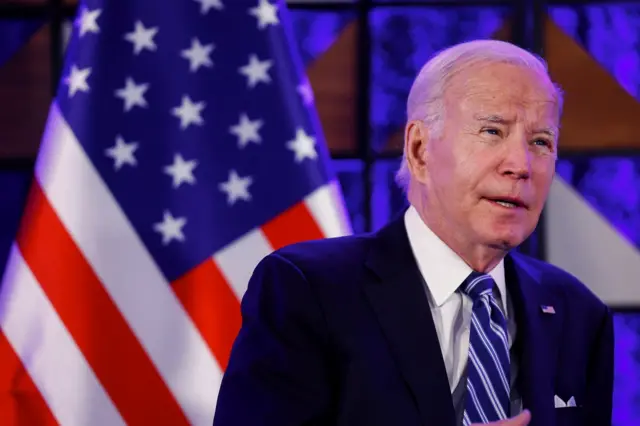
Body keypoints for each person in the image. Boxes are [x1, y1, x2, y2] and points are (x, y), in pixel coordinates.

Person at [212, 39, 614, 426]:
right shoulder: (307, 290)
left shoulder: (578, 313)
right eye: (492, 131)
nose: (521, 164)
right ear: (420, 149)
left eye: (541, 141)